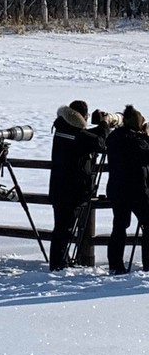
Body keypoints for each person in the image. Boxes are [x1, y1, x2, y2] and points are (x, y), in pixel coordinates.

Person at [48, 101, 108, 270]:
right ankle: (58, 265)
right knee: (64, 229)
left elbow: (84, 136)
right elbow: (99, 143)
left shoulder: (63, 128)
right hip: (71, 190)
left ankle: (60, 261)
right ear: (83, 116)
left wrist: (101, 128)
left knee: (62, 228)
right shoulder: (75, 135)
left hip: (60, 188)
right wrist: (104, 125)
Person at [106, 105, 149, 273]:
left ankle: (115, 265)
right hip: (137, 191)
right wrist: (146, 136)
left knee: (119, 227)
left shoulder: (115, 137)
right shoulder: (135, 141)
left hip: (117, 190)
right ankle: (148, 264)